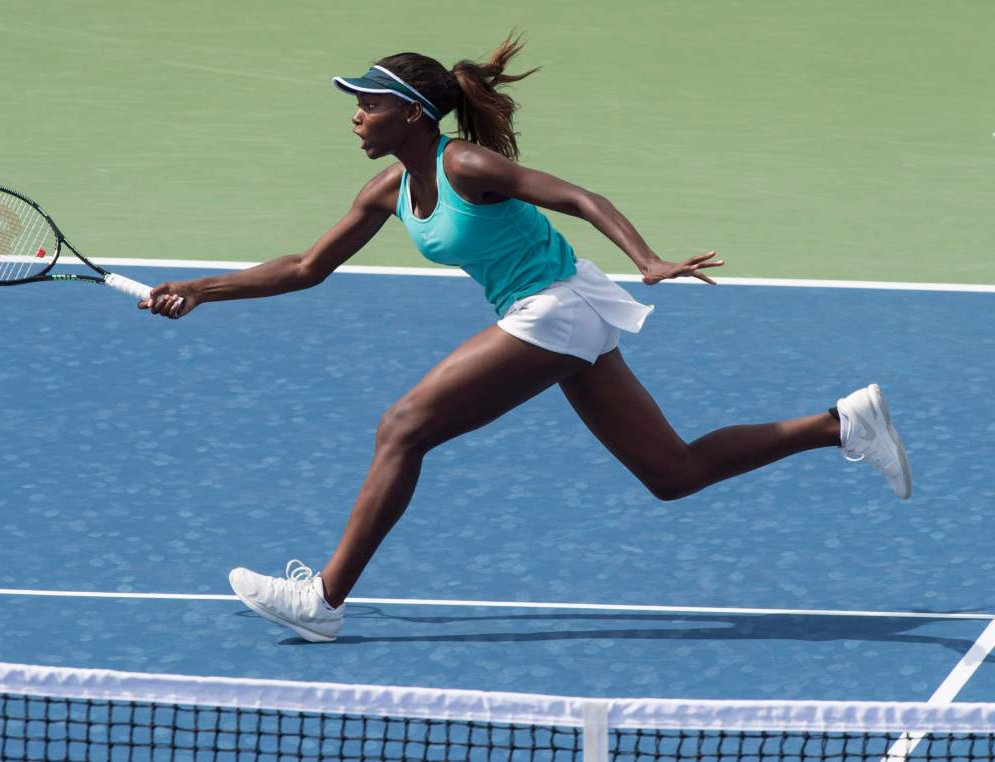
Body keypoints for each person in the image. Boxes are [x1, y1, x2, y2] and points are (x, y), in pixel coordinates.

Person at [140, 34, 912, 643]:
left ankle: (323, 599)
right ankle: (841, 423)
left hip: (555, 305)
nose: (355, 115)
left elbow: (578, 195)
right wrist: (199, 291)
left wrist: (646, 259)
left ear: (412, 112)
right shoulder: (386, 188)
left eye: (368, 103)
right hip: (553, 309)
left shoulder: (466, 163)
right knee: (671, 472)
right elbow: (308, 267)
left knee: (403, 426)